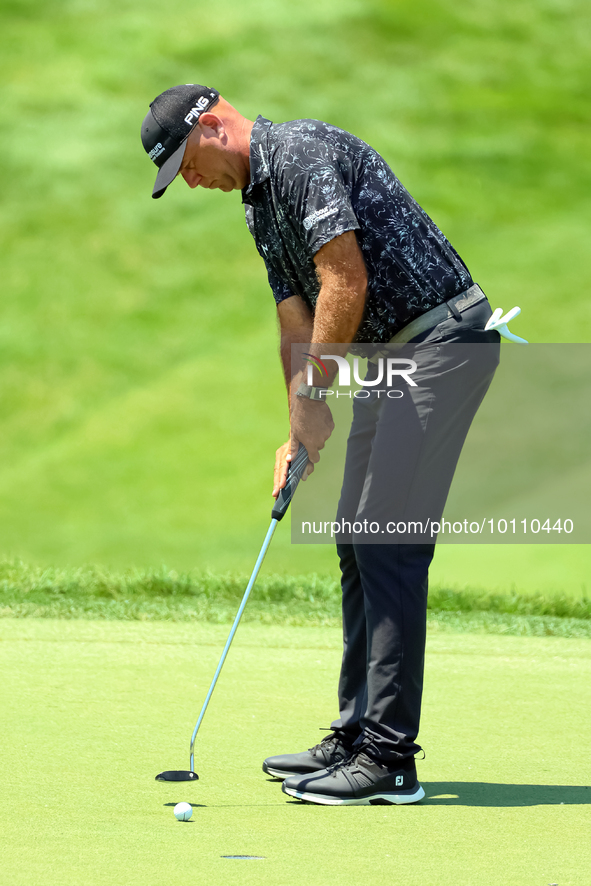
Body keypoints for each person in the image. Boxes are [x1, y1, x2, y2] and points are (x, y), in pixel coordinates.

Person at [140, 84, 500, 806]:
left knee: (383, 541)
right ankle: (357, 733)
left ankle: (389, 761)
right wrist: (299, 423)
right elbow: (294, 314)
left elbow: (345, 279)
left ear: (212, 126)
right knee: (355, 539)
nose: (188, 180)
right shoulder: (256, 200)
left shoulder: (299, 154)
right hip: (394, 358)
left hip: (441, 344)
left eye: (185, 161)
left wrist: (315, 394)